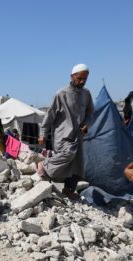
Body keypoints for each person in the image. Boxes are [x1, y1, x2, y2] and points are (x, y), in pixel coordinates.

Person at [37, 63, 94, 200]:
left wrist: (86, 124)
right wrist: (43, 133)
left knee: (77, 164)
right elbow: (50, 114)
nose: (81, 82)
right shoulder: (61, 94)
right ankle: (44, 165)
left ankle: (68, 190)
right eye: (79, 78)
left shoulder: (86, 94)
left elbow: (90, 113)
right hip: (63, 134)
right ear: (72, 76)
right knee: (68, 154)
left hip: (78, 135)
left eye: (84, 79)